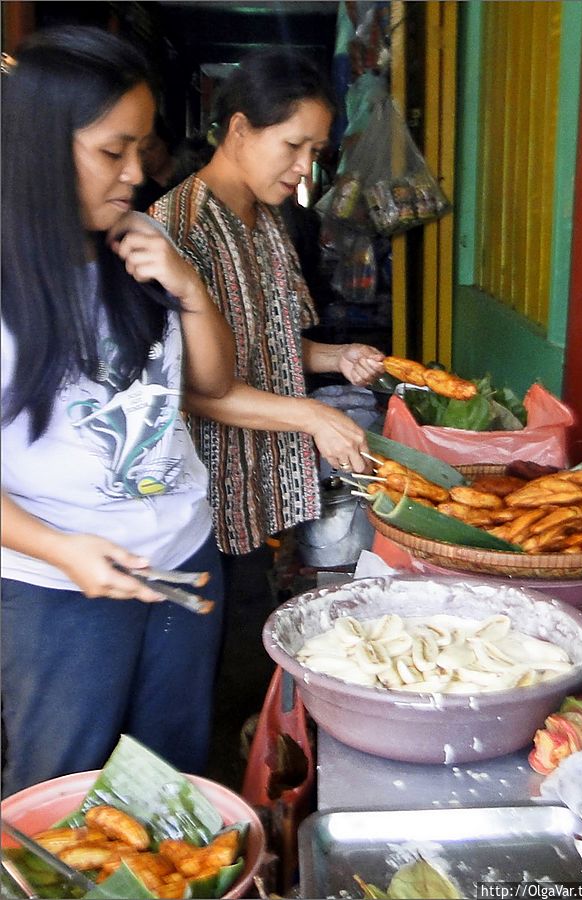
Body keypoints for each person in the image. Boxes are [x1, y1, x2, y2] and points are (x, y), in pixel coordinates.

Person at [1, 26, 235, 796]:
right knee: (65, 801)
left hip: (184, 559)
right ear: (39, 145)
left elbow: (210, 383)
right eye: (113, 150)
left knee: (169, 791)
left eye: (143, 147)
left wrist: (189, 288)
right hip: (58, 591)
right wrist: (60, 549)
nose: (137, 173)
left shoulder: (139, 251)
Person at [150, 47, 386, 558]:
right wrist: (313, 417)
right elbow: (182, 387)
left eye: (316, 152)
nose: (304, 167)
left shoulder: (269, 220)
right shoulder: (178, 230)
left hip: (259, 491)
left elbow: (274, 344)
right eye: (293, 145)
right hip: (198, 498)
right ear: (239, 129)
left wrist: (337, 358)